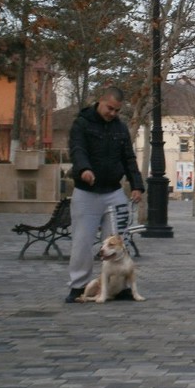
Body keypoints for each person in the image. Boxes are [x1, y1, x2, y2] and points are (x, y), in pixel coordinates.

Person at [65, 86, 145, 303]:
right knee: (82, 241)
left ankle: (122, 287)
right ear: (100, 101)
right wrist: (84, 170)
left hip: (114, 192)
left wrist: (136, 185)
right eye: (110, 108)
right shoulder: (82, 124)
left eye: (117, 110)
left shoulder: (120, 128)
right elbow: (77, 149)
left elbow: (129, 158)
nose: (113, 113)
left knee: (120, 240)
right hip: (86, 192)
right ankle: (78, 286)